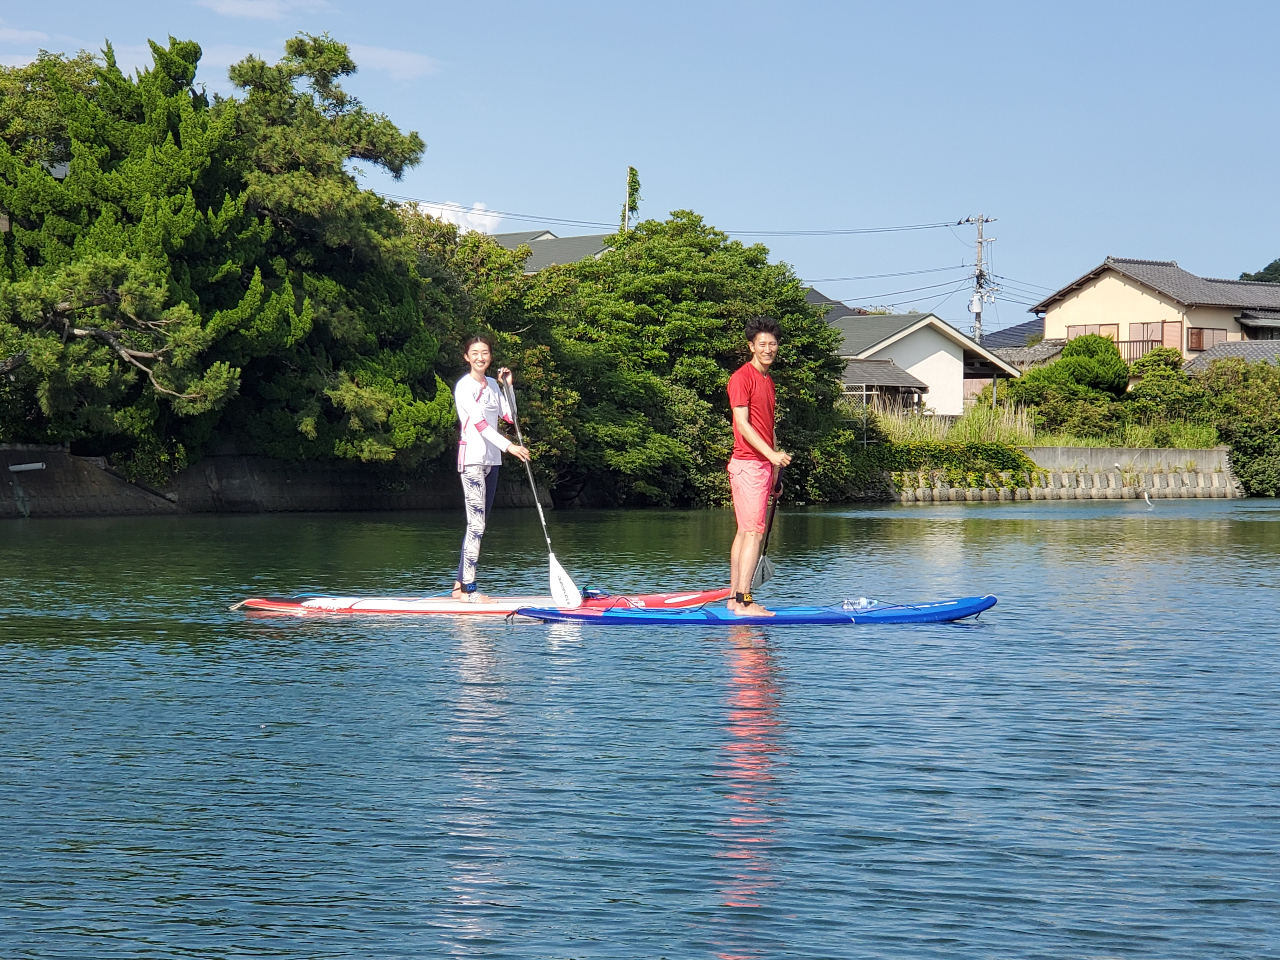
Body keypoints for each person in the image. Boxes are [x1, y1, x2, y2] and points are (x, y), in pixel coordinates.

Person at [451, 336, 531, 601]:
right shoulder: (464, 387)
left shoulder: (495, 385)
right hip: (472, 459)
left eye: (484, 353)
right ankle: (468, 591)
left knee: (479, 524)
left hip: (492, 461)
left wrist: (508, 388)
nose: (480, 357)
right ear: (467, 357)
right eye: (474, 353)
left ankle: (458, 585)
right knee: (476, 525)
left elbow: (509, 416)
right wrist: (510, 447)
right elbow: (479, 425)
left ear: (490, 357)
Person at [726, 316, 791, 616]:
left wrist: (775, 469)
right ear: (751, 346)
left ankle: (733, 599)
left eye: (772, 344)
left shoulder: (768, 381)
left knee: (745, 532)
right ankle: (743, 602)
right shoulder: (741, 378)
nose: (768, 349)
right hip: (748, 464)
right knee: (752, 533)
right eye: (762, 344)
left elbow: (768, 427)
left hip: (762, 466)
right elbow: (743, 424)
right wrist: (771, 456)